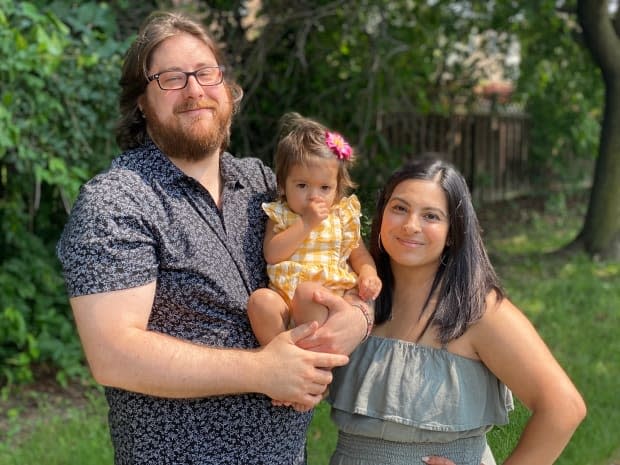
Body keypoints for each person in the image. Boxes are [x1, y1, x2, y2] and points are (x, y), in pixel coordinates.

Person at [56, 10, 372, 465]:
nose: (195, 90)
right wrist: (262, 370)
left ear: (227, 89)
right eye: (171, 78)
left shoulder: (264, 183)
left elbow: (342, 256)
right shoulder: (118, 201)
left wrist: (357, 318)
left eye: (207, 73)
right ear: (141, 102)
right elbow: (113, 354)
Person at [327, 157, 586, 465]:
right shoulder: (355, 293)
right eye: (399, 208)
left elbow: (564, 407)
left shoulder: (477, 311)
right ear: (381, 214)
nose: (411, 225)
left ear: (453, 232)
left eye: (431, 216)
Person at [247, 112, 381, 411]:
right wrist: (305, 224)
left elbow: (358, 254)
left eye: (324, 188)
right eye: (302, 186)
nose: (314, 197)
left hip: (323, 304)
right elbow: (273, 253)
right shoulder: (282, 215)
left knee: (309, 291)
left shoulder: (341, 216)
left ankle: (311, 375)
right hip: (284, 301)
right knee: (260, 301)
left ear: (338, 186)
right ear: (283, 184)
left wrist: (368, 274)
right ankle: (280, 368)